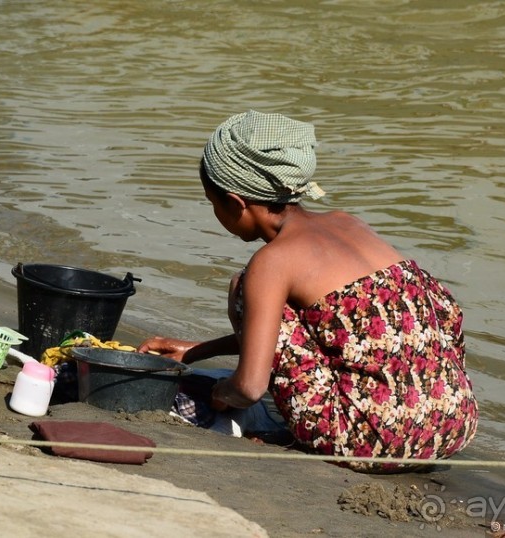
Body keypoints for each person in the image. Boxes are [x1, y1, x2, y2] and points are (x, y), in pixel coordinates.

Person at [139, 110, 478, 471]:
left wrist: (219, 395)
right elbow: (354, 335)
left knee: (243, 287)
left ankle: (334, 430)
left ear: (236, 202)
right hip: (452, 424)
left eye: (213, 203)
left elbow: (250, 389)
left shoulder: (273, 261)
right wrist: (199, 350)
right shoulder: (350, 223)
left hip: (373, 442)